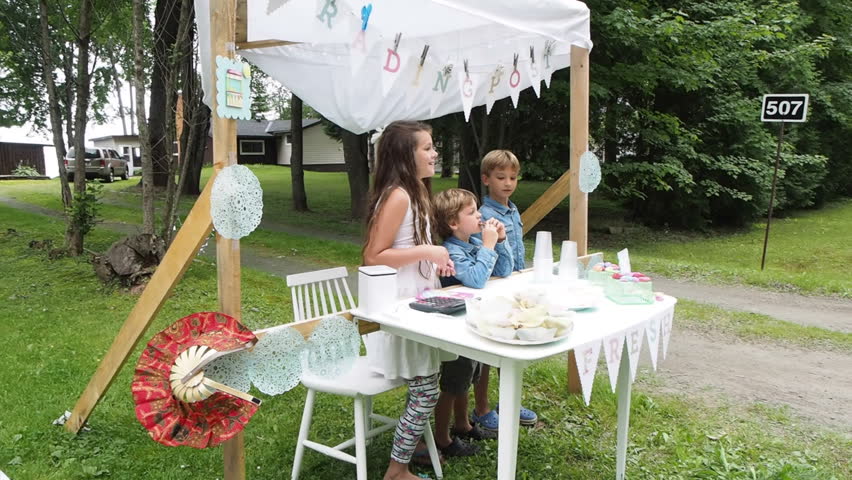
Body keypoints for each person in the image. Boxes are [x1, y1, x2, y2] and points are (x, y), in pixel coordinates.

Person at [362, 120, 456, 480]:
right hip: (399, 308)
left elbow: (412, 249)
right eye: (427, 148)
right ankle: (397, 469)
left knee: (426, 385)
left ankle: (411, 448)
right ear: (406, 154)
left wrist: (436, 257)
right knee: (426, 391)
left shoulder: (415, 192)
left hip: (418, 302)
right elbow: (374, 255)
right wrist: (429, 249)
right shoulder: (398, 195)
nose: (435, 154)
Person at [430, 188, 512, 457]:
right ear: (453, 223)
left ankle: (463, 424)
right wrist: (488, 246)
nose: (480, 216)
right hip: (455, 329)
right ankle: (442, 437)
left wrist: (499, 241)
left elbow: (503, 271)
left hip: (472, 324)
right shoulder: (451, 251)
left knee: (468, 376)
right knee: (453, 384)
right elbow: (476, 280)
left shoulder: (474, 244)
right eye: (472, 212)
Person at [470, 149, 539, 432]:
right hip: (492, 289)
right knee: (487, 353)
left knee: (509, 348)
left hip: (514, 287)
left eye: (513, 177)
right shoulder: (484, 215)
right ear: (486, 179)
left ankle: (508, 401)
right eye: (501, 177)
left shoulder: (513, 210)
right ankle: (482, 408)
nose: (508, 183)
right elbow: (490, 259)